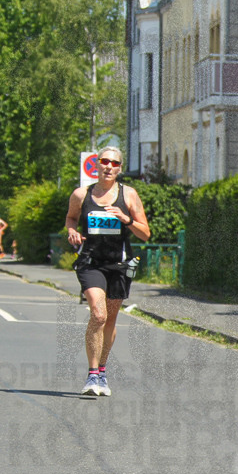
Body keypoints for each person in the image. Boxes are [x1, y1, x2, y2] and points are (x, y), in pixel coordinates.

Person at [65, 146, 150, 397]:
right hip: (91, 261)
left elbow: (145, 234)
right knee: (99, 315)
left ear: (120, 168)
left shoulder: (130, 195)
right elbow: (71, 218)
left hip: (123, 264)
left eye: (114, 163)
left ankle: (102, 372)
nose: (109, 166)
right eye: (104, 161)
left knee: (111, 319)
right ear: (97, 164)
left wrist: (126, 219)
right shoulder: (82, 194)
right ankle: (92, 376)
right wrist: (71, 231)